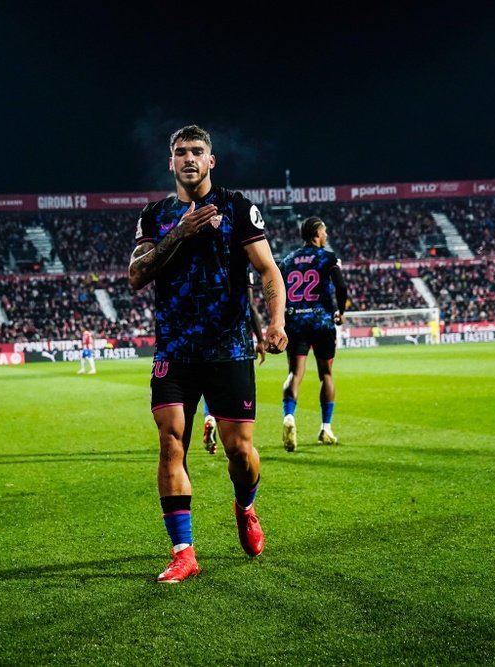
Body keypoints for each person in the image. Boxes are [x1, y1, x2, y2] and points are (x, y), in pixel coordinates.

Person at [128, 124, 287, 583]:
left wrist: (276, 323)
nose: (189, 159)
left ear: (211, 160)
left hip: (229, 348)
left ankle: (246, 505)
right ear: (171, 162)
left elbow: (268, 271)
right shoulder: (155, 216)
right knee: (170, 439)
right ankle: (184, 552)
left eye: (198, 151)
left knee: (240, 452)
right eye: (181, 152)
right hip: (175, 349)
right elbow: (136, 275)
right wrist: (177, 233)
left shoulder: (238, 208)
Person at [277, 216, 349, 451]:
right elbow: (341, 286)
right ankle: (326, 428)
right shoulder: (327, 258)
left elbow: (276, 289)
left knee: (294, 373)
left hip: (295, 322)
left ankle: (289, 417)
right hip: (321, 323)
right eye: (325, 230)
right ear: (317, 233)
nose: (326, 235)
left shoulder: (288, 260)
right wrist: (340, 310)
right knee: (326, 374)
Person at [202, 273, 267, 455]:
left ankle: (209, 416)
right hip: (237, 343)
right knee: (235, 399)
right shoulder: (240, 262)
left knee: (209, 385)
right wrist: (260, 340)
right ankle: (237, 445)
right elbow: (250, 304)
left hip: (207, 337)